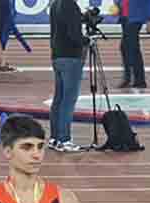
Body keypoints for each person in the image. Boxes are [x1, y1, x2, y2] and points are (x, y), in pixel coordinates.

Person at [49, 0, 87, 152]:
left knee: (59, 99)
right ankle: (64, 139)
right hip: (71, 57)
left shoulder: (55, 4)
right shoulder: (70, 5)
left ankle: (55, 138)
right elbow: (74, 34)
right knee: (68, 100)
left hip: (58, 56)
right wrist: (87, 40)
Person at [117, 0, 150, 89]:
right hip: (126, 16)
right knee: (128, 47)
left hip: (136, 16)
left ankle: (136, 79)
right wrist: (119, 4)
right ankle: (134, 79)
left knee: (130, 46)